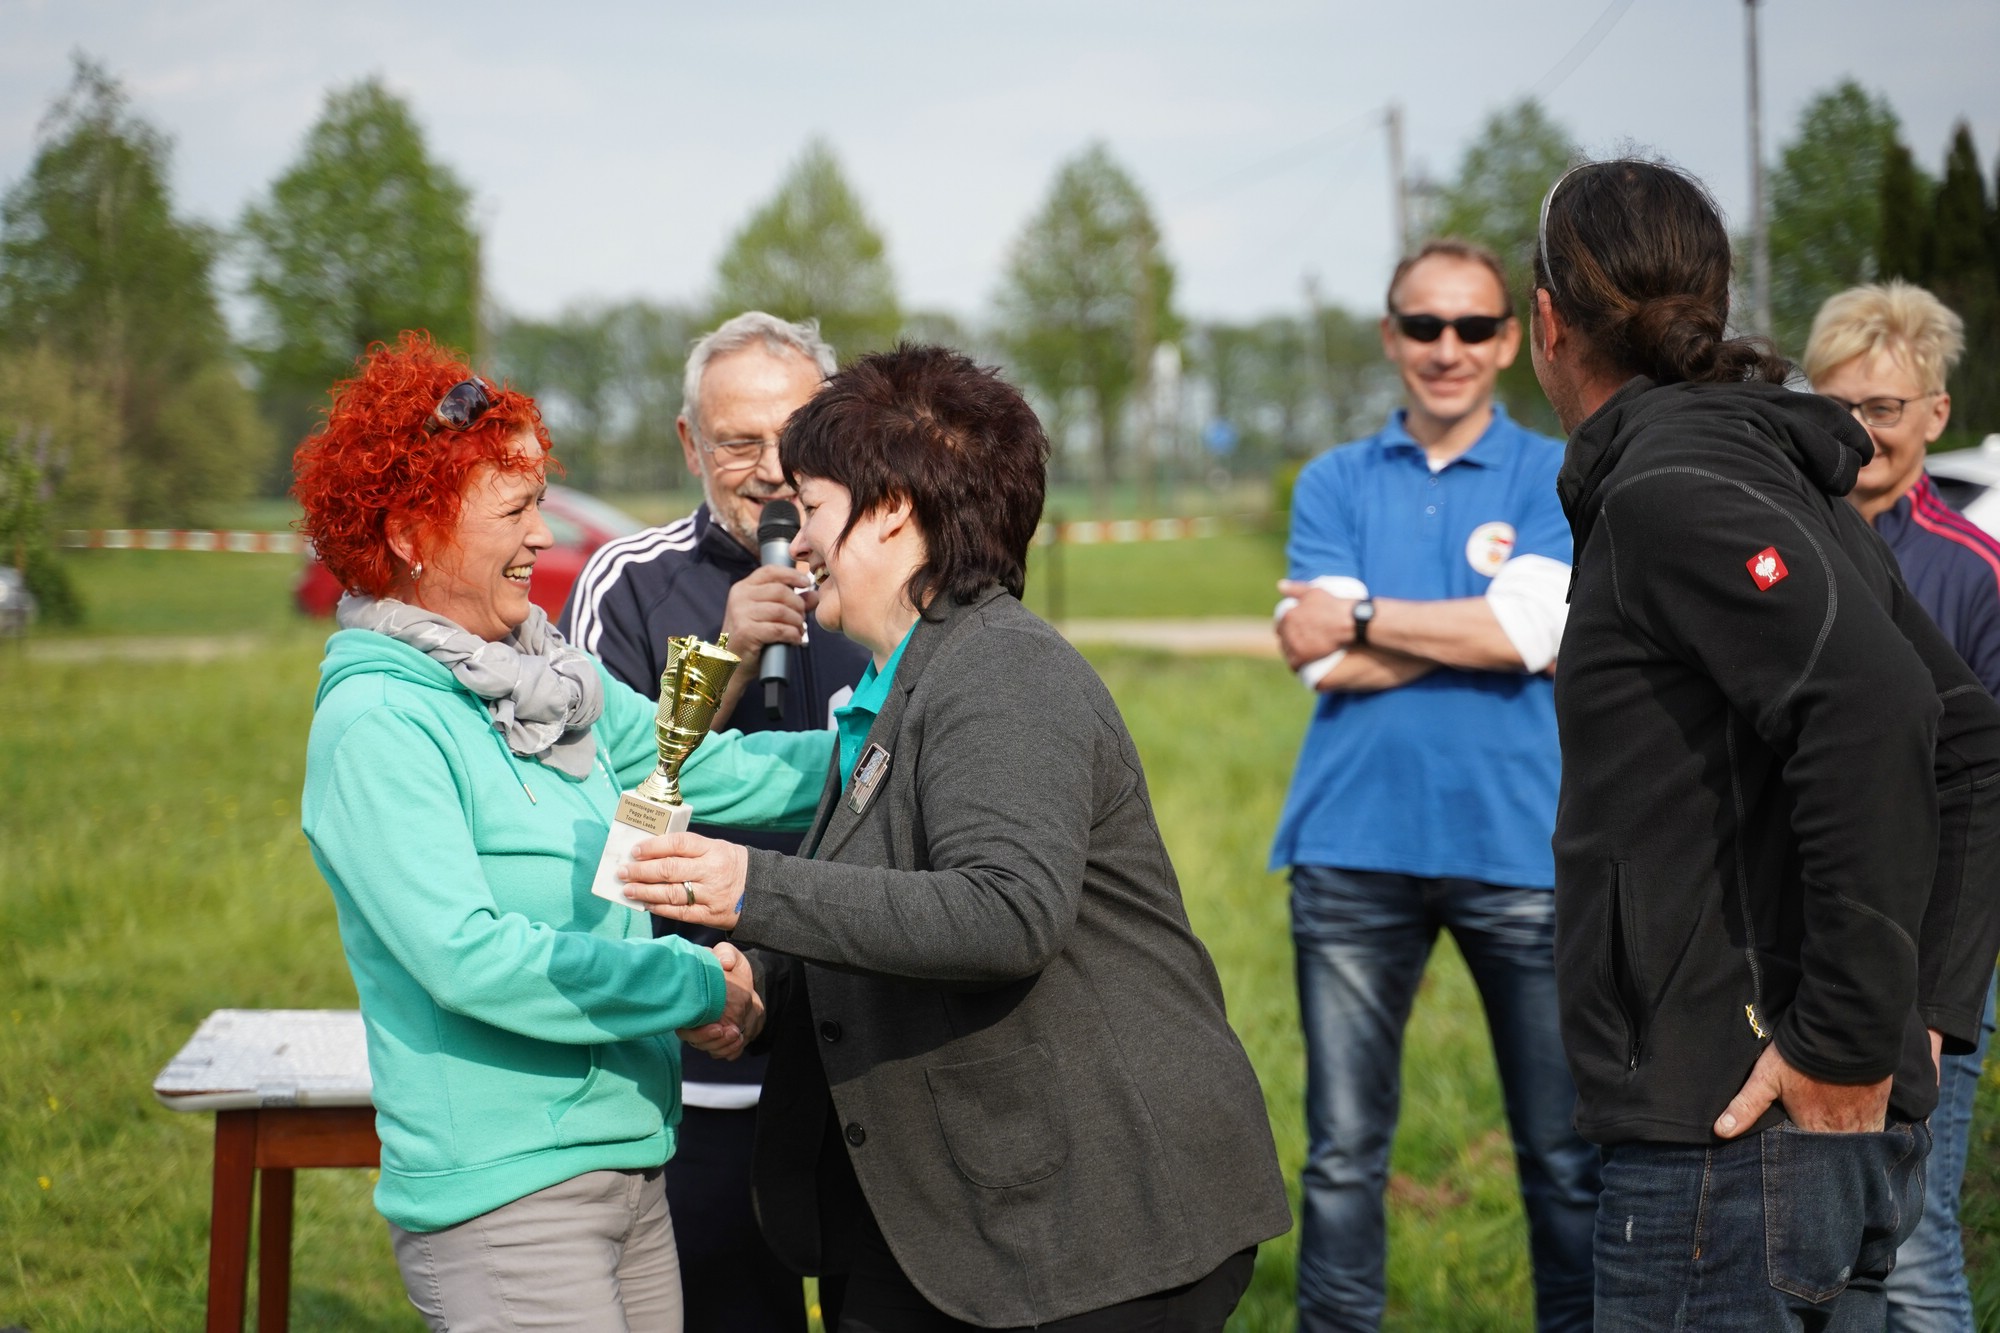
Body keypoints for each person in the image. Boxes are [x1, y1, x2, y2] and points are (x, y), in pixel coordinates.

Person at [615, 344, 1293, 1331]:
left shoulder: (1000, 670)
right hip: (975, 1227)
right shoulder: (898, 682)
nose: (793, 539)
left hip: (1093, 1238)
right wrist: (762, 989)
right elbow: (887, 894)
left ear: (891, 510)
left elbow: (1003, 912)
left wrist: (750, 886)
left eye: (811, 504)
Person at [1529, 158, 2000, 1330]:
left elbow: (1885, 715)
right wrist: (1913, 1015)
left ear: (1545, 323)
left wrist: (1852, 1038)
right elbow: (1968, 744)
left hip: (1725, 1143)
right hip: (1786, 1132)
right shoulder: (1761, 476)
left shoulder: (1672, 487)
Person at [295, 332, 833, 1331]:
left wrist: (907, 727)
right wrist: (689, 982)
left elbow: (700, 767)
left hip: (629, 1155)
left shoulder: (550, 677)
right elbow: (471, 957)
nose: (544, 536)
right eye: (515, 510)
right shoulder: (381, 721)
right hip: (509, 1189)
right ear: (410, 534)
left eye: (540, 503)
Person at [1269, 238, 1597, 1333]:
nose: (1445, 347)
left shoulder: (1559, 471)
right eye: (1423, 325)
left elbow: (1534, 630)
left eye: (1471, 326)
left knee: (1562, 1157)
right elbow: (1317, 659)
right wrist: (1493, 629)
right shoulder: (1332, 479)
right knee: (1340, 1157)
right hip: (1349, 850)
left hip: (1523, 851)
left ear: (1510, 339)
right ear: (1390, 336)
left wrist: (1367, 614)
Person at [559, 312, 869, 1333]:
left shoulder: (879, 577)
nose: (772, 468)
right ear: (690, 442)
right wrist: (723, 659)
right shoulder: (625, 585)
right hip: (703, 1050)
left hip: (868, 1048)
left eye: (796, 435)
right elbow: (603, 820)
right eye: (739, 441)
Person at [1806, 280, 2000, 1333]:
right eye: (1835, 406)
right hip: (1810, 946)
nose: (1859, 431)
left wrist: (1940, 1000)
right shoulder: (1786, 546)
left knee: (1913, 1246)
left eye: (1882, 407)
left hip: (1929, 955)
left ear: (1935, 412)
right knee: (1808, 1244)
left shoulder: (1976, 573)